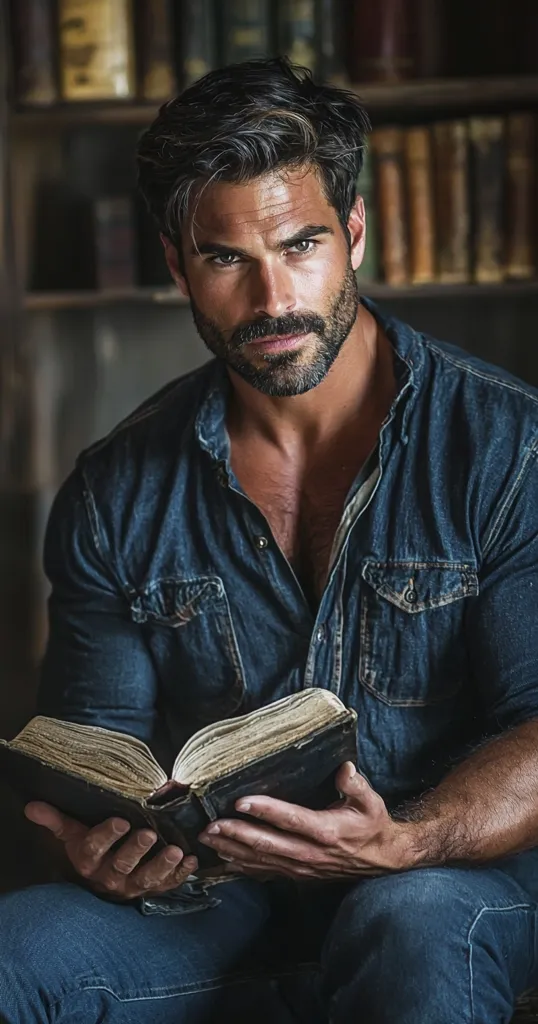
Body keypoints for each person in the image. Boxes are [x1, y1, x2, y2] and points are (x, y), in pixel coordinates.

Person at [1, 57, 538, 1024]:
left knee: (409, 925)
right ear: (176, 266)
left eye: (301, 246)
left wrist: (406, 844)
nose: (272, 299)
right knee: (16, 950)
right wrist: (107, 851)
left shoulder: (506, 446)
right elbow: (97, 750)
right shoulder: (113, 490)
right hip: (221, 896)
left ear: (357, 233)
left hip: (448, 873)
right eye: (225, 259)